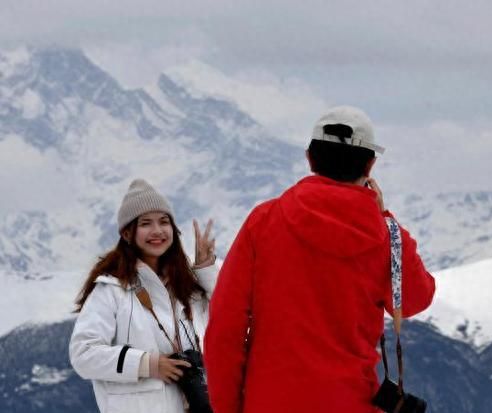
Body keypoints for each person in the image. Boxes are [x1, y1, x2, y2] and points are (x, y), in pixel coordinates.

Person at [204, 106, 436, 413]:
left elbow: (225, 329)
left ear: (310, 158)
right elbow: (415, 298)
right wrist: (386, 218)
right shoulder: (385, 235)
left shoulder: (264, 221)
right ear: (370, 165)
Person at [69, 179, 217, 413]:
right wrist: (148, 364)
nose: (157, 231)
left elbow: (231, 326)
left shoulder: (187, 288)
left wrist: (206, 271)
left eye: (164, 221)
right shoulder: (112, 289)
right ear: (127, 234)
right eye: (146, 223)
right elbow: (83, 354)